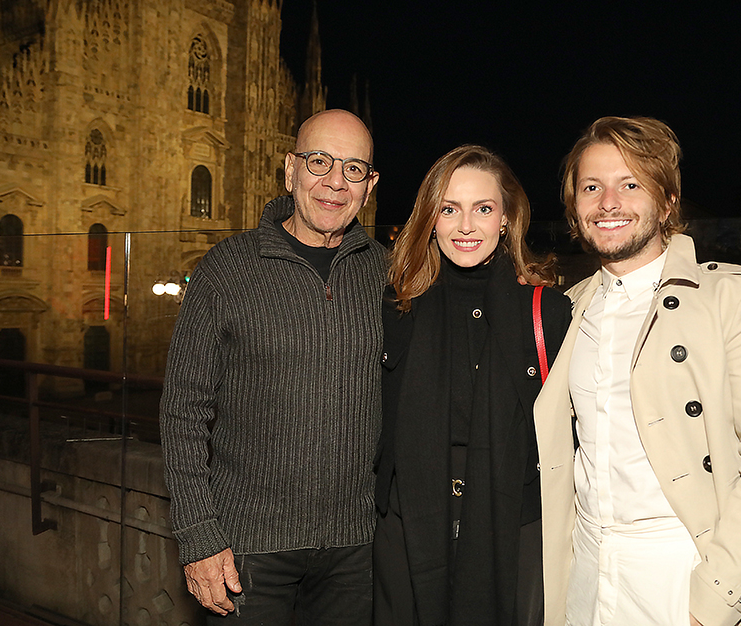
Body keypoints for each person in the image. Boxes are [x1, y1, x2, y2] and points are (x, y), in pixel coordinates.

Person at [534, 117, 741, 626]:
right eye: (591, 187)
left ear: (666, 202)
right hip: (586, 571)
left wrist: (718, 598)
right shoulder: (566, 311)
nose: (608, 202)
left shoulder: (733, 298)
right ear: (574, 207)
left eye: (631, 184)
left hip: (685, 570)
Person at [160, 109, 385, 625]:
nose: (334, 182)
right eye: (319, 161)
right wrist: (199, 537)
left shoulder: (386, 273)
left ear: (369, 186)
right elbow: (182, 414)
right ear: (290, 170)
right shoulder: (226, 269)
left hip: (355, 551)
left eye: (353, 168)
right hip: (247, 553)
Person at [374, 145, 572, 626]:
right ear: (430, 219)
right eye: (449, 209)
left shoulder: (546, 311)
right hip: (409, 525)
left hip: (513, 522)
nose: (467, 226)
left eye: (483, 208)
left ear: (506, 218)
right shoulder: (395, 304)